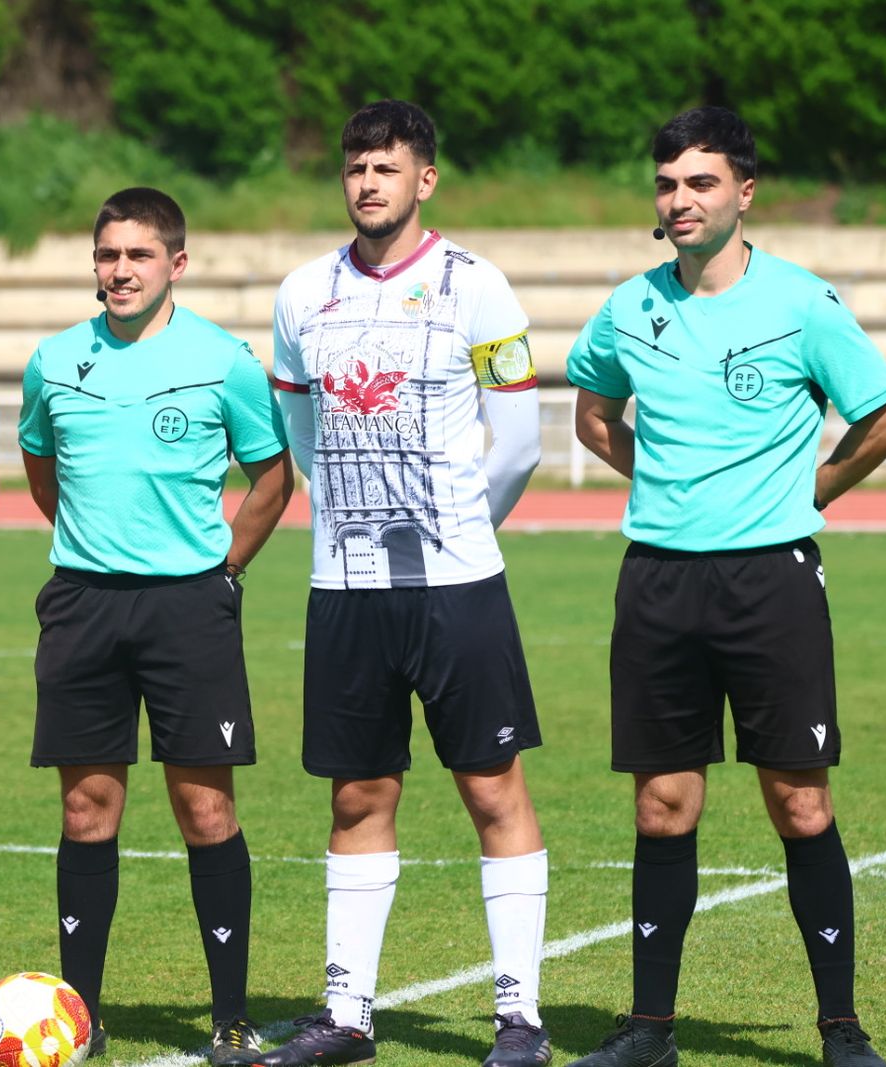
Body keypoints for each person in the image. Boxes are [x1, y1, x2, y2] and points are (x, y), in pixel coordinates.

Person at [565, 107, 886, 1067]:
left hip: (772, 584)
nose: (680, 200)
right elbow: (594, 415)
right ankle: (650, 1031)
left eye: (701, 183)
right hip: (658, 583)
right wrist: (669, 487)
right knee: (662, 806)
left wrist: (810, 491)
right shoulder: (630, 305)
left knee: (800, 805)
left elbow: (884, 415)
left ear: (743, 193)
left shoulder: (800, 303)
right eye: (668, 184)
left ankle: (841, 1028)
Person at [260, 100, 550, 1067]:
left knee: (492, 789)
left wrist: (463, 532)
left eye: (386, 168)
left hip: (457, 586)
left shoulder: (480, 286)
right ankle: (347, 1016)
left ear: (425, 179)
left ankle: (520, 1016)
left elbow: (518, 441)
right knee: (355, 797)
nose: (368, 184)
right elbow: (301, 435)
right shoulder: (303, 294)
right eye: (355, 169)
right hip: (344, 590)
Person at [18, 187, 293, 1065]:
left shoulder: (225, 361)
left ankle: (229, 1016)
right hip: (82, 603)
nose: (120, 270)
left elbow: (272, 477)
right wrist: (91, 545)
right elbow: (39, 461)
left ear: (177, 263)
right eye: (107, 255)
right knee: (85, 805)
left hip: (189, 609)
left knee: (205, 807)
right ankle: (80, 1018)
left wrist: (223, 571)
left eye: (138, 255)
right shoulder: (54, 360)